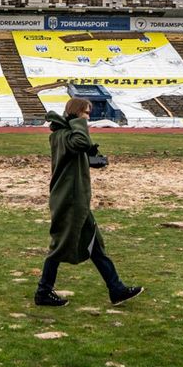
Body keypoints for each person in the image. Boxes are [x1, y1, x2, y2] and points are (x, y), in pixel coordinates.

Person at [34, 97, 144, 307]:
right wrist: (79, 124)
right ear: (76, 114)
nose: (88, 117)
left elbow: (78, 151)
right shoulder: (64, 134)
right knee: (59, 247)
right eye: (86, 113)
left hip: (75, 199)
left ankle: (116, 289)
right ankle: (43, 292)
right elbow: (80, 142)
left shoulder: (65, 135)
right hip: (70, 200)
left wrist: (90, 156)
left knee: (95, 246)